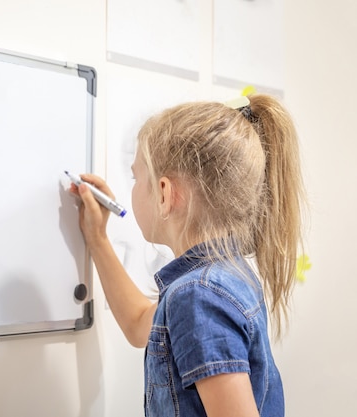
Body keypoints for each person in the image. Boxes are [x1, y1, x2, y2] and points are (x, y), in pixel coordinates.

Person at [70, 94, 305, 417]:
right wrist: (97, 238)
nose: (133, 189)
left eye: (137, 178)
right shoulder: (219, 278)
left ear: (165, 193)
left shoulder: (199, 295)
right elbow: (140, 324)